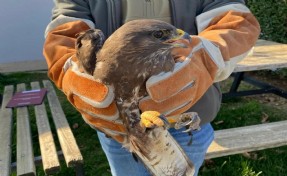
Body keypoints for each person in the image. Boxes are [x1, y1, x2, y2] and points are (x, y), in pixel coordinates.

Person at [43, 1, 260, 175]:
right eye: (161, 36)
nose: (181, 36)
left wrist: (207, 57)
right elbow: (65, 29)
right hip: (117, 132)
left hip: (189, 121)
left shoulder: (170, 50)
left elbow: (237, 21)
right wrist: (67, 70)